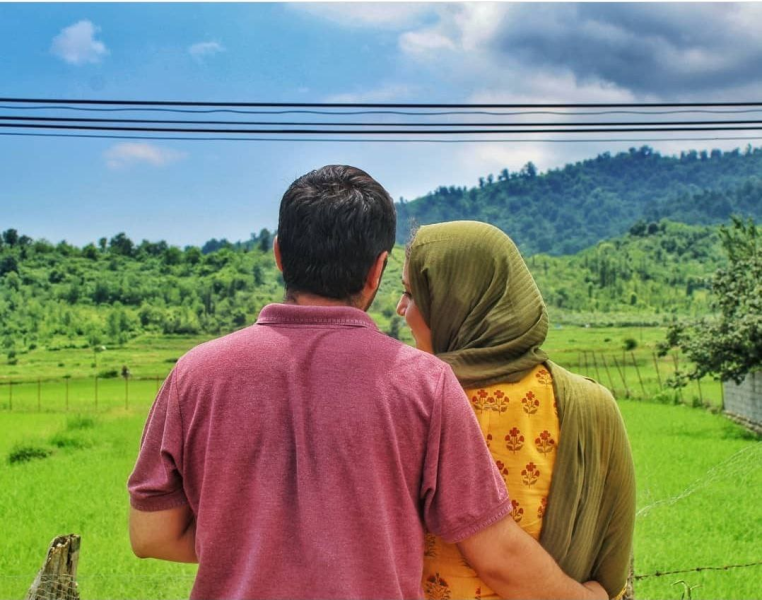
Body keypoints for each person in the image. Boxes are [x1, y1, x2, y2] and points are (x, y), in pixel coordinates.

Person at [128, 166, 607, 600]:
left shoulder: (195, 374)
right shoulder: (424, 384)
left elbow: (151, 536)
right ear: (378, 269)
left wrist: (256, 542)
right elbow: (495, 553)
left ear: (278, 254)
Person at [398, 220, 636, 600]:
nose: (400, 309)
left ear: (453, 304)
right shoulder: (589, 406)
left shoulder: (407, 405)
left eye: (412, 295)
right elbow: (610, 566)